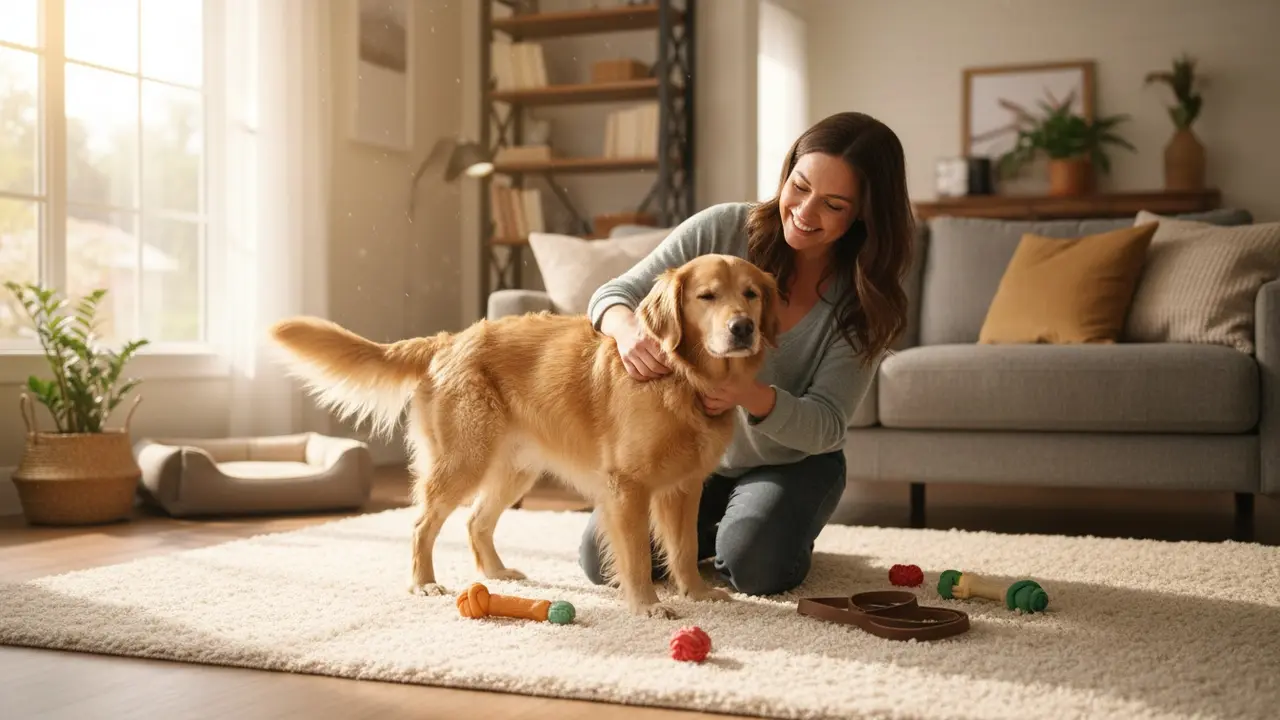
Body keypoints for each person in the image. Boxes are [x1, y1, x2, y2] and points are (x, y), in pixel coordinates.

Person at [580, 111, 916, 596]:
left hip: (792, 462)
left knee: (756, 564)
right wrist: (628, 330)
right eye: (799, 187)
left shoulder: (866, 301)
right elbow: (613, 294)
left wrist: (749, 394)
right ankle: (728, 529)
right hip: (692, 457)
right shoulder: (722, 229)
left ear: (864, 211)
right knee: (599, 558)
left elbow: (827, 425)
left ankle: (763, 527)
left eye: (833, 204)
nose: (804, 212)